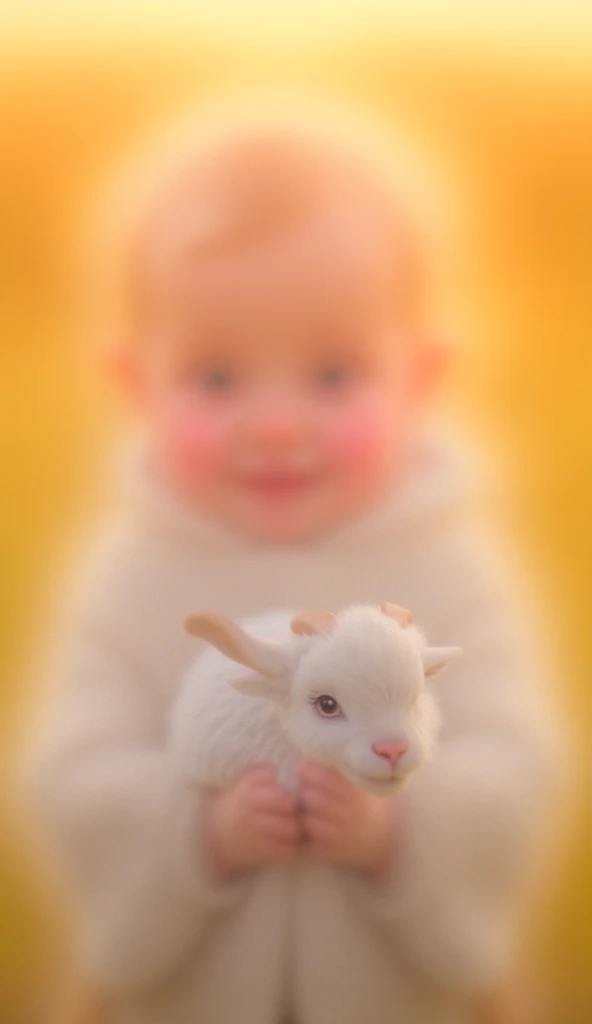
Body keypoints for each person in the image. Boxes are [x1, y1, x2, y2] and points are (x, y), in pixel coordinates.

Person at [26, 99, 553, 1024]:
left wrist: (399, 836)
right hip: (188, 992)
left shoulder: (447, 566)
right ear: (138, 385)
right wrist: (201, 835)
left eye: (333, 374)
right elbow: (73, 768)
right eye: (218, 376)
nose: (275, 424)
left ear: (417, 381)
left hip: (398, 992)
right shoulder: (136, 573)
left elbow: (514, 759)